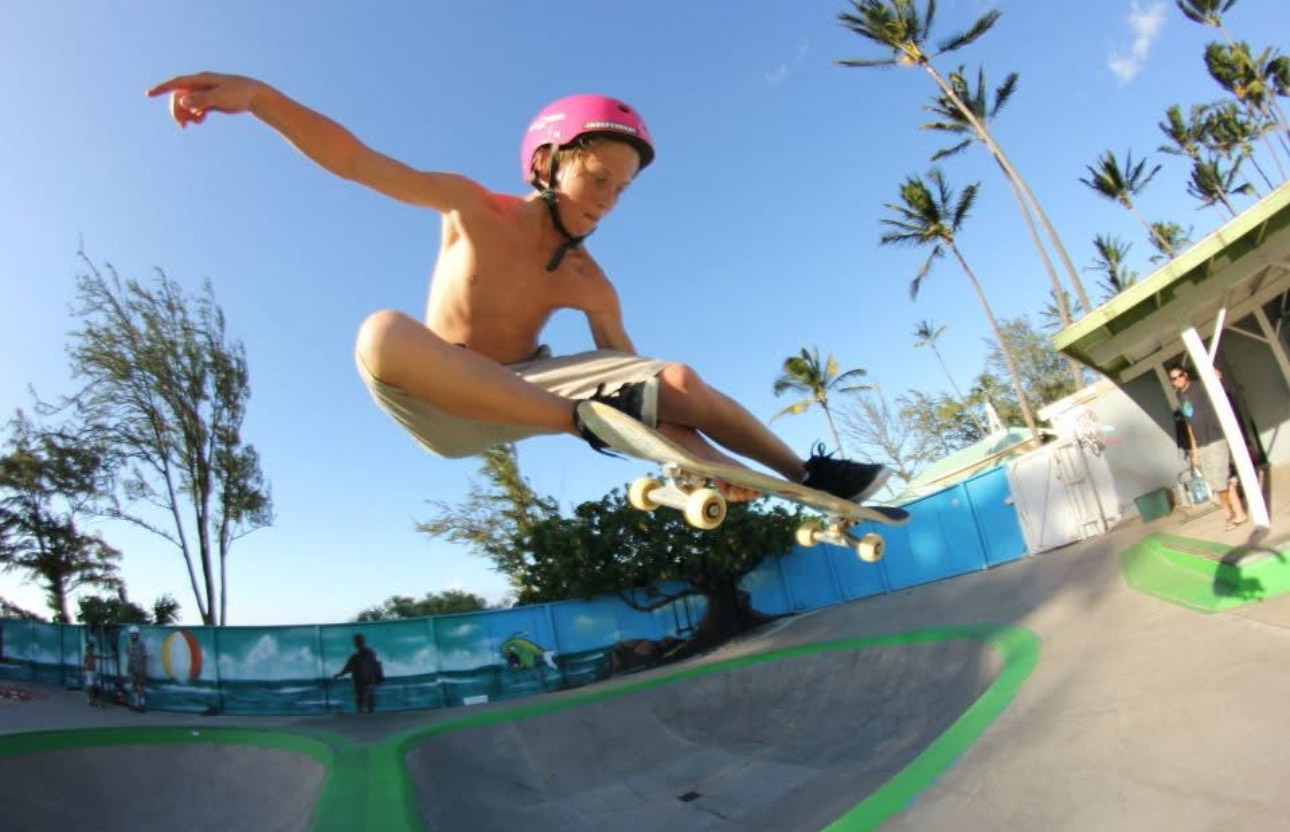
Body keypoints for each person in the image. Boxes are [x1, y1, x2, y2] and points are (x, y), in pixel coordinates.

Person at [144, 73, 889, 503]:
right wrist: (259, 98)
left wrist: (696, 465)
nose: (605, 200)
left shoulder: (590, 281)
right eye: (596, 178)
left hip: (529, 396)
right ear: (548, 163)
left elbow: (647, 397)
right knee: (379, 331)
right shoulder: (471, 206)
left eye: (620, 191)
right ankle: (581, 425)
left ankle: (808, 469)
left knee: (677, 376)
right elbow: (353, 161)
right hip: (440, 398)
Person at [1170, 365, 1247, 530]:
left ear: (1186, 375)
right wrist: (1194, 450)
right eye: (1174, 378)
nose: (1178, 379)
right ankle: (1240, 514)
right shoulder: (1179, 395)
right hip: (1201, 444)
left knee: (1220, 483)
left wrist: (1217, 375)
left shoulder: (1199, 387)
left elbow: (1215, 380)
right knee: (1217, 482)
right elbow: (1190, 423)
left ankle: (1229, 516)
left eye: (1180, 375)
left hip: (1215, 438)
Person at [333, 634, 381, 714]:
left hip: (366, 682)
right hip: (363, 682)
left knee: (366, 703)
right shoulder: (358, 655)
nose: (358, 644)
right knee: (363, 703)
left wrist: (339, 675)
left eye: (359, 642)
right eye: (358, 642)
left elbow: (374, 666)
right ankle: (366, 717)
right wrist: (339, 674)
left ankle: (367, 717)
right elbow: (347, 668)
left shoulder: (367, 654)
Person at [126, 625, 147, 712]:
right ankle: (135, 704)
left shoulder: (141, 644)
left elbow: (144, 657)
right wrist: (128, 668)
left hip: (140, 668)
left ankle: (142, 704)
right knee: (134, 686)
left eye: (135, 634)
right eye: (132, 634)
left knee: (140, 686)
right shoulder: (128, 645)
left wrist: (143, 668)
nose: (133, 636)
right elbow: (129, 657)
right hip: (132, 668)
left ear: (138, 634)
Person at [82, 641, 101, 708]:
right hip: (89, 672)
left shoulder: (93, 655)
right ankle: (90, 699)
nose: (91, 650)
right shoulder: (86, 656)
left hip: (94, 672)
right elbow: (84, 665)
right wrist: (83, 672)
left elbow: (101, 657)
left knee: (95, 686)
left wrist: (110, 657)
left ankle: (94, 699)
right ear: (88, 649)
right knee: (90, 686)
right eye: (90, 648)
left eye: (92, 648)